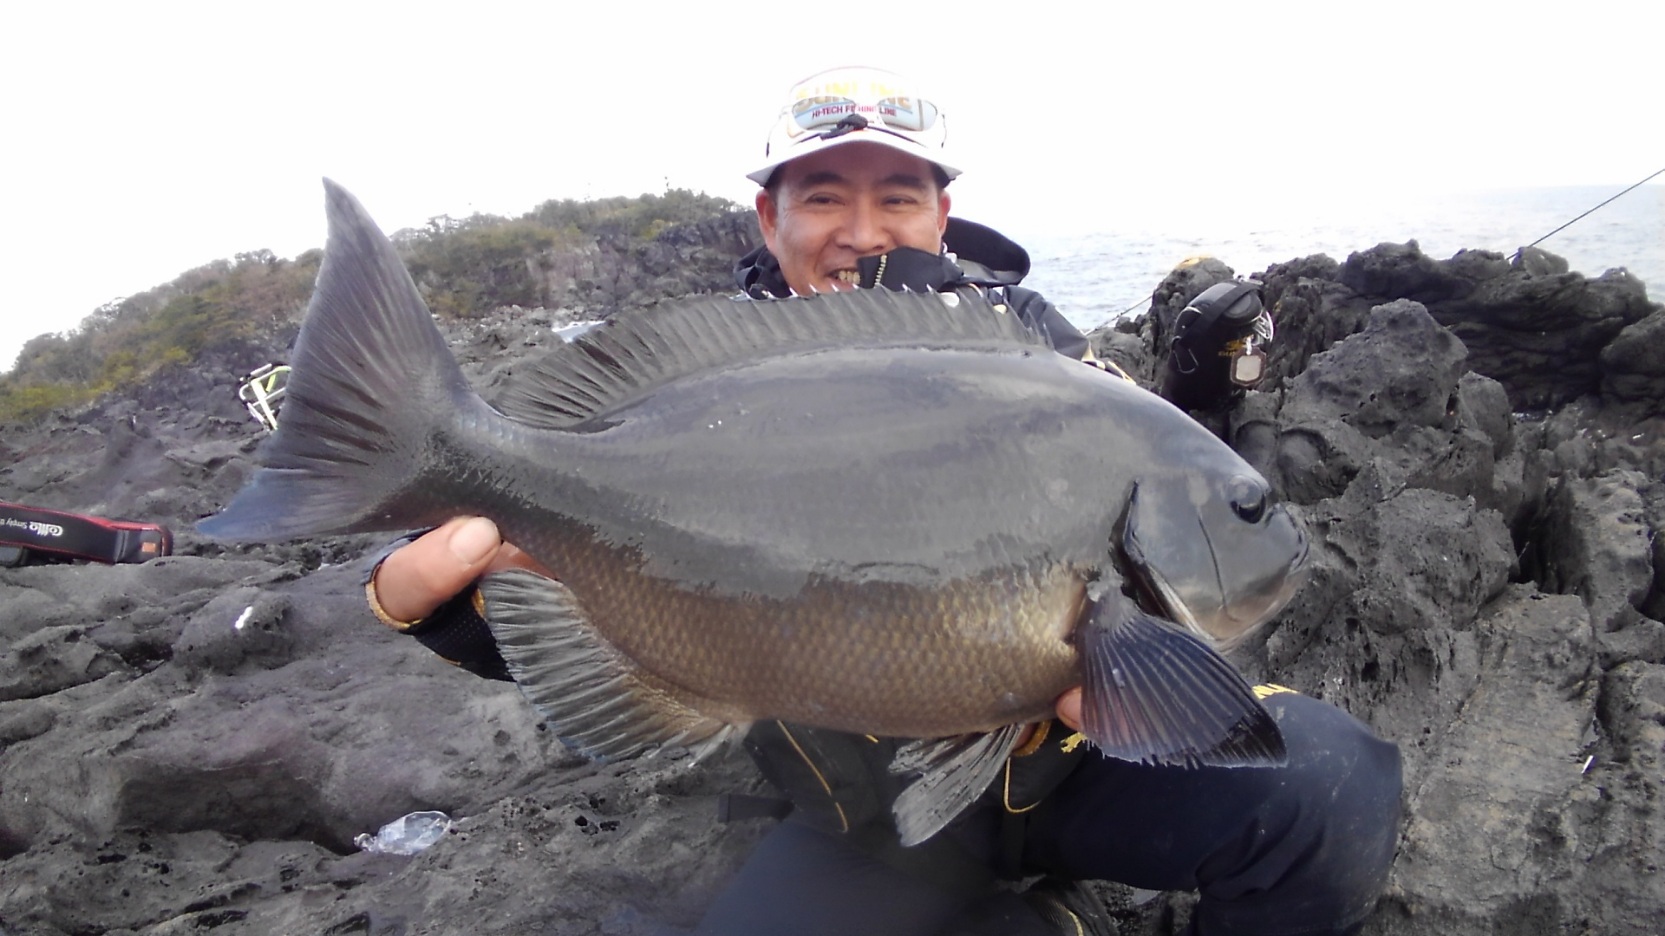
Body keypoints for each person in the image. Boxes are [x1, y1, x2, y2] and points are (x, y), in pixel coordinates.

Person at [362, 67, 1401, 935]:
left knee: (1329, 792)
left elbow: (1141, 605)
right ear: (769, 219)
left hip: (1070, 775)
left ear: (941, 215)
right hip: (852, 820)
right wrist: (427, 595)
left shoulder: (1036, 350)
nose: (862, 230)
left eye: (897, 196)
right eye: (822, 197)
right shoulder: (700, 392)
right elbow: (575, 605)